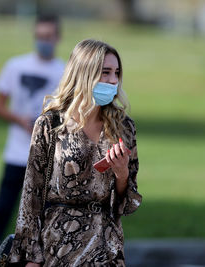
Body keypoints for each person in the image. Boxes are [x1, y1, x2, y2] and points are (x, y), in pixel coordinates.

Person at [8, 39, 142, 266]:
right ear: (84, 74)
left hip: (105, 246)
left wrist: (122, 174)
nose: (113, 80)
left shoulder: (123, 126)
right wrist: (31, 257)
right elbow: (31, 195)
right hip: (59, 244)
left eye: (116, 73)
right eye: (105, 72)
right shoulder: (51, 124)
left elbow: (127, 203)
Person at [0, 15, 64, 267]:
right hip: (16, 154)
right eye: (40, 37)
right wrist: (19, 119)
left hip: (47, 159)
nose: (44, 42)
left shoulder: (64, 71)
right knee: (2, 211)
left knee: (41, 214)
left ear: (57, 38)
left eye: (48, 37)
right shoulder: (15, 65)